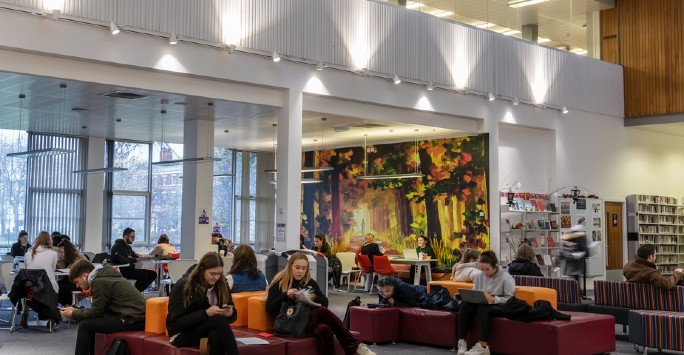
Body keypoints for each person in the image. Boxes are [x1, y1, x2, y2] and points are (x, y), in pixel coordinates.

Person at [266, 252, 376, 355]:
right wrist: (285, 295)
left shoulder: (309, 282)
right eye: (297, 268)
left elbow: (325, 302)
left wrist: (312, 298)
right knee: (321, 312)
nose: (300, 271)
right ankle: (354, 346)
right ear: (290, 266)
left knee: (323, 329)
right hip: (289, 324)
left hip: (306, 322)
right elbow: (270, 309)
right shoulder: (279, 283)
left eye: (304, 269)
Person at [60, 259, 146, 355]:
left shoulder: (99, 281)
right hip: (134, 316)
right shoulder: (104, 276)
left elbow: (96, 312)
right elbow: (99, 309)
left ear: (84, 276)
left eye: (77, 281)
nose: (77, 285)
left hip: (132, 319)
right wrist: (77, 311)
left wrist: (73, 313)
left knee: (85, 325)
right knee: (89, 323)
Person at [167, 252, 239, 355]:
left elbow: (230, 309)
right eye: (212, 273)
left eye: (219, 274)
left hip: (209, 328)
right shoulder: (183, 286)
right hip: (181, 333)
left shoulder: (222, 284)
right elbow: (178, 323)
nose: (216, 277)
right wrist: (205, 313)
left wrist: (230, 312)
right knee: (218, 320)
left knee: (215, 334)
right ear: (202, 270)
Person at [456, 250, 515, 355]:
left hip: (501, 305)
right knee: (465, 306)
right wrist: (473, 297)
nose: (484, 272)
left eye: (487, 269)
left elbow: (510, 300)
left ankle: (483, 347)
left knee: (483, 308)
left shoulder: (506, 277)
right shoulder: (480, 275)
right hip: (484, 303)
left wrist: (493, 299)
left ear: (494, 266)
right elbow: (476, 292)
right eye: (482, 269)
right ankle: (462, 341)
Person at [110, 227, 156, 292]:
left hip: (131, 269)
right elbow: (125, 260)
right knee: (143, 275)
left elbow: (136, 257)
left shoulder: (128, 247)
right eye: (132, 237)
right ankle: (134, 294)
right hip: (123, 271)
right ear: (126, 236)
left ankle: (135, 292)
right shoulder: (118, 246)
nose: (133, 239)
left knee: (153, 274)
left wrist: (148, 257)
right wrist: (139, 259)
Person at [25, 231, 59, 295]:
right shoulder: (53, 254)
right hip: (48, 288)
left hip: (31, 290)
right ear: (50, 241)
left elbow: (27, 268)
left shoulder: (28, 253)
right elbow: (53, 269)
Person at [56, 239, 86, 306]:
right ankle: (68, 307)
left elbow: (80, 275)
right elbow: (63, 275)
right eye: (58, 252)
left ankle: (69, 308)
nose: (59, 254)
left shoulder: (78, 258)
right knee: (54, 286)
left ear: (67, 252)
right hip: (69, 280)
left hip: (79, 282)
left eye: (61, 252)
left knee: (63, 290)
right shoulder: (63, 259)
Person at [560, 224, 588, 289]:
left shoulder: (580, 238)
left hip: (576, 262)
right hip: (573, 262)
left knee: (575, 278)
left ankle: (577, 292)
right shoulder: (579, 237)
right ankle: (577, 292)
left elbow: (584, 250)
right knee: (574, 278)